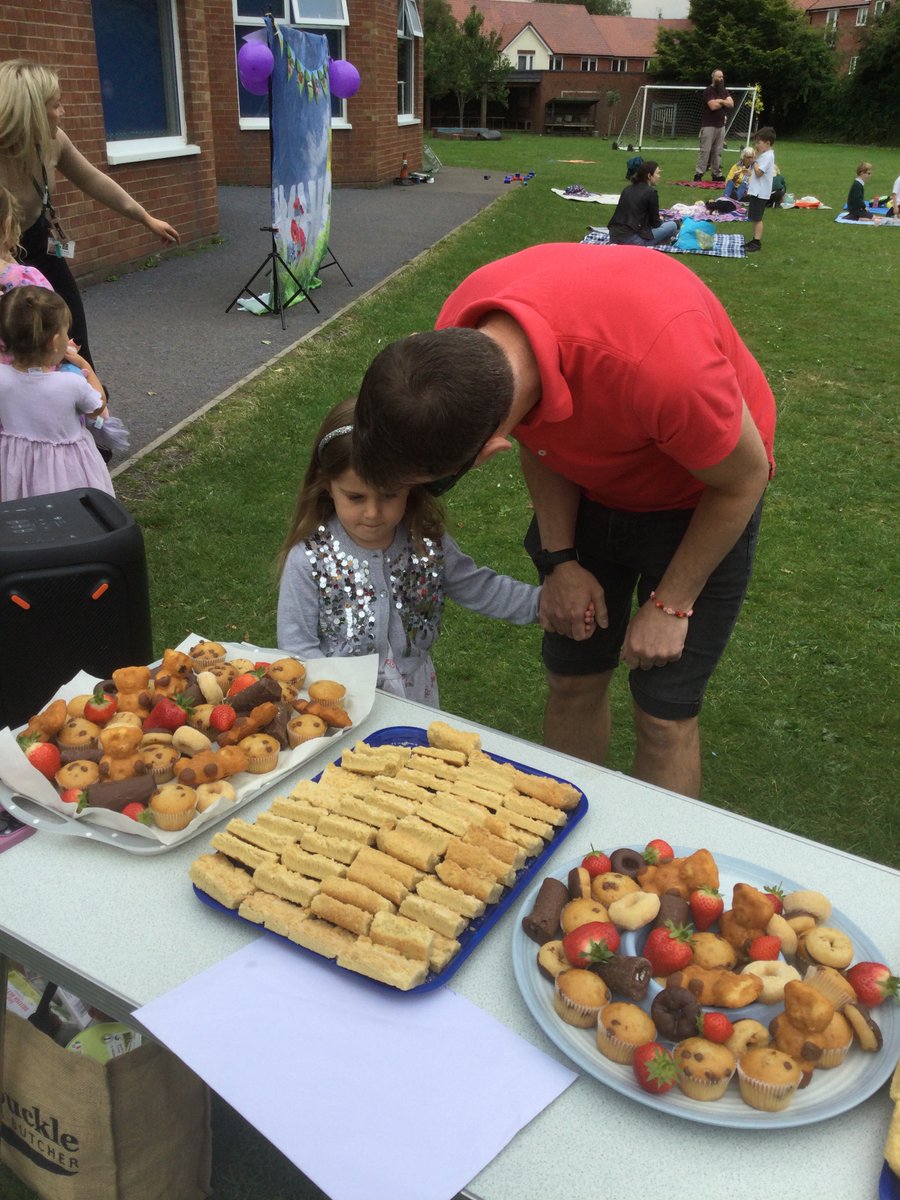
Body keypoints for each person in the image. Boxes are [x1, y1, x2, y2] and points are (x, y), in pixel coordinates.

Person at [352, 244, 776, 799]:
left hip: (702, 495)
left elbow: (744, 478)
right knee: (572, 679)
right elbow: (541, 428)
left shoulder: (666, 370)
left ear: (488, 452)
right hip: (591, 483)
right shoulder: (464, 334)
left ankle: (654, 878)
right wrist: (560, 561)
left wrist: (672, 604)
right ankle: (570, 837)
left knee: (662, 715)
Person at [276, 397, 549, 708]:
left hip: (416, 694)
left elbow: (476, 586)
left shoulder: (425, 540)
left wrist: (541, 604)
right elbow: (297, 648)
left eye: (389, 495)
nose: (372, 512)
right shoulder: (309, 559)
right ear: (327, 485)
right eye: (355, 497)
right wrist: (332, 695)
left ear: (412, 485)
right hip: (343, 701)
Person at [0, 58, 180, 369]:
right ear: (31, 112)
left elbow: (94, 180)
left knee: (71, 336)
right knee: (19, 350)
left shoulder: (52, 142)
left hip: (40, 246)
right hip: (4, 261)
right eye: (56, 105)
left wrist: (145, 218)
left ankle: (89, 404)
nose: (64, 111)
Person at [0, 285, 114, 500]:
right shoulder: (70, 383)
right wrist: (83, 364)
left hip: (18, 465)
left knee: (27, 511)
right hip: (68, 470)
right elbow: (98, 406)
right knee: (77, 512)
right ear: (55, 342)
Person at [608, 161, 678, 247]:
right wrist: (661, 219)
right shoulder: (651, 192)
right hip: (632, 240)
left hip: (613, 236)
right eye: (657, 173)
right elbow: (655, 224)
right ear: (649, 176)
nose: (659, 176)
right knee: (672, 225)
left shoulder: (627, 189)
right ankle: (664, 243)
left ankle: (661, 242)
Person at [694, 69, 734, 183]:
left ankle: (716, 174)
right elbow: (712, 106)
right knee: (705, 150)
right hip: (708, 125)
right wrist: (722, 102)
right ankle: (699, 174)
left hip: (721, 126)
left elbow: (731, 104)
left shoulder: (724, 91)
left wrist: (720, 100)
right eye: (719, 77)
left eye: (722, 77)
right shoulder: (708, 91)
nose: (721, 79)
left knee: (718, 151)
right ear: (713, 78)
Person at [744, 127, 777, 253]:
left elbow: (759, 173)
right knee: (754, 217)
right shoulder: (764, 155)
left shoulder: (768, 157)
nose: (756, 145)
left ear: (767, 143)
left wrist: (754, 162)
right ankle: (754, 240)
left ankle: (757, 242)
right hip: (756, 191)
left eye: (759, 142)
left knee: (757, 218)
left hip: (761, 192)